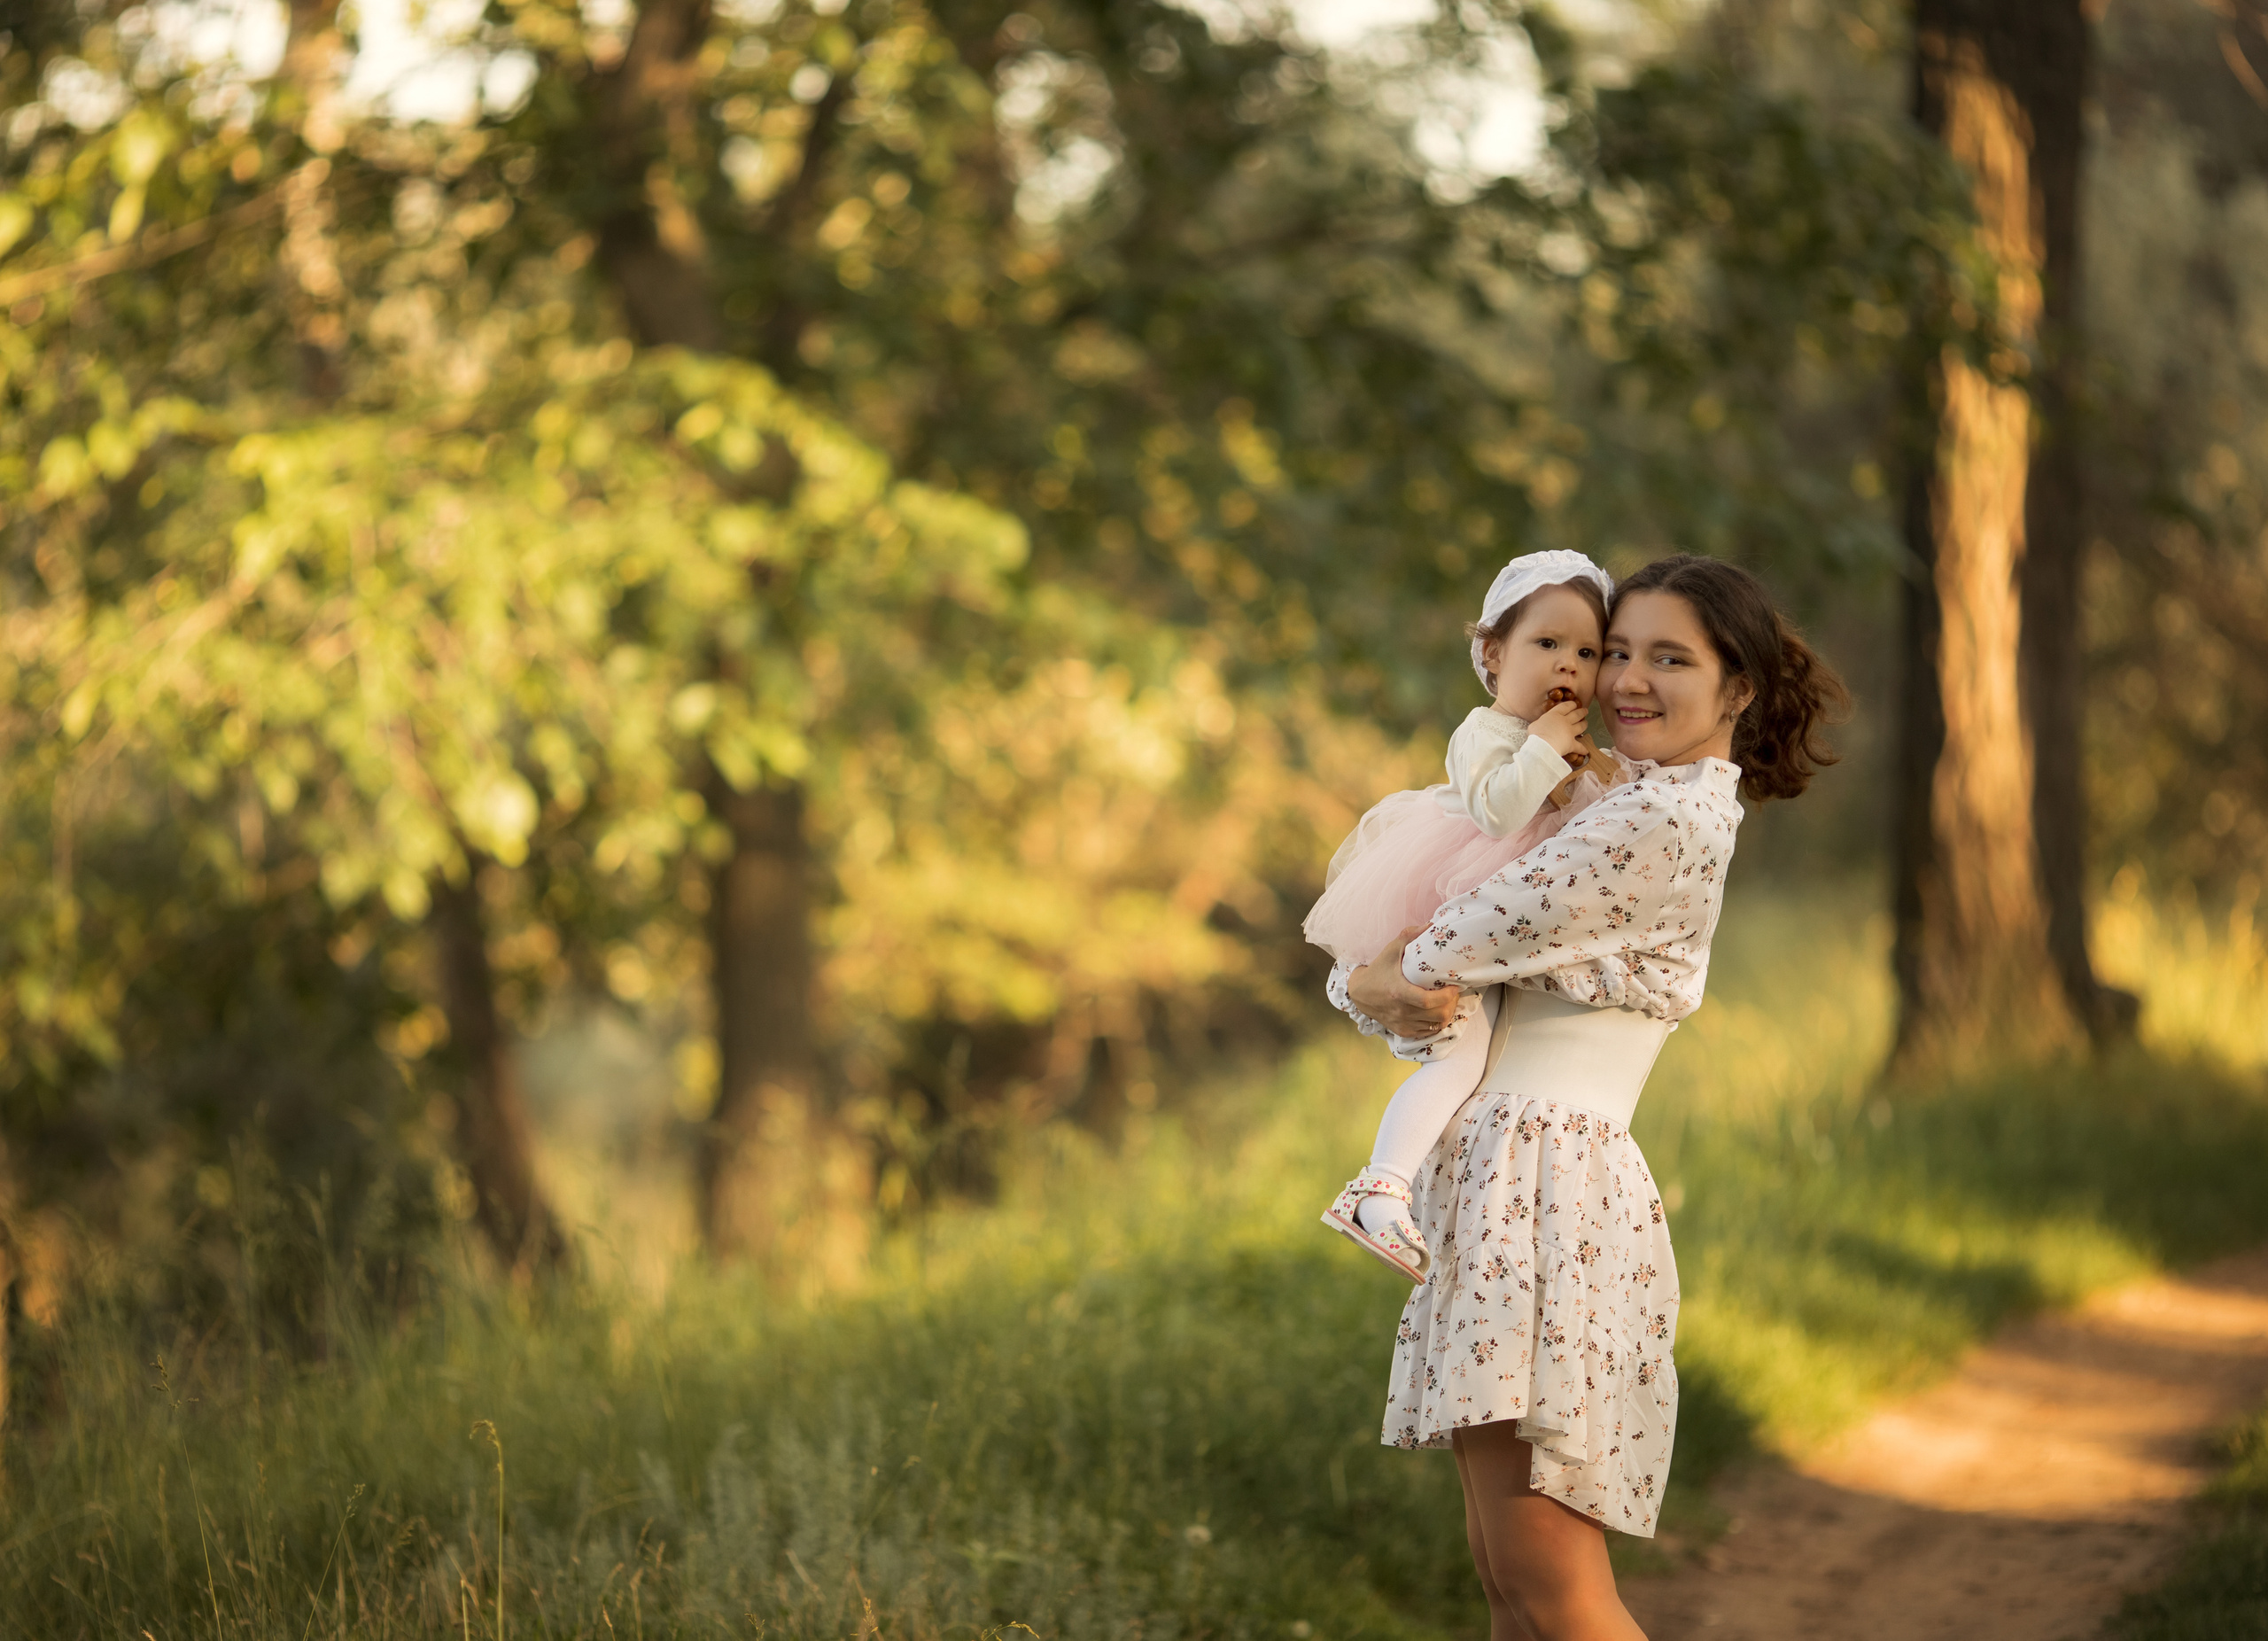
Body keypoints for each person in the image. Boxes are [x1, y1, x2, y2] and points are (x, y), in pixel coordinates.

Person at [1332, 555, 1847, 1641]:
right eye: (1618, 650)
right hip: (1503, 1176)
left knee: (1556, 1591)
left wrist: (1376, 974)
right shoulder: (1613, 794)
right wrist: (1377, 978)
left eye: (1671, 658)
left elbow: (1438, 950)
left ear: (1737, 687)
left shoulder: (1652, 823)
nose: (1626, 679)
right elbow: (1405, 978)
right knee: (1510, 1583)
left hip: (1547, 1189)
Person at [1305, 550, 1621, 1281]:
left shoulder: (1569, 743)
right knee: (1461, 1056)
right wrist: (1544, 749)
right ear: (1492, 651)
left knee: (1483, 1062)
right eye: (1547, 645)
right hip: (1449, 889)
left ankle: (1411, 1190)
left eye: (1587, 652)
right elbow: (1498, 809)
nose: (1567, 667)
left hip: (1510, 926)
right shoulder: (1488, 731)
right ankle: (1380, 1186)